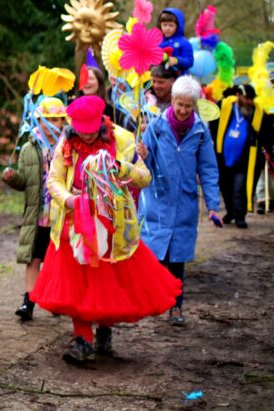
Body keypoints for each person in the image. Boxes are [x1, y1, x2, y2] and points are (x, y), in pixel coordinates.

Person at [30, 95, 181, 364]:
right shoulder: (65, 143)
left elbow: (144, 177)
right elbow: (54, 180)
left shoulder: (122, 139)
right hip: (74, 223)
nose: (86, 139)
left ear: (100, 124)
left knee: (105, 280)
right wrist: (70, 200)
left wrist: (122, 169)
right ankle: (82, 339)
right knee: (76, 281)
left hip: (112, 224)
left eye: (91, 133)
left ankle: (104, 329)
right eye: (81, 133)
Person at [140, 75, 222, 326]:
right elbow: (144, 168)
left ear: (195, 105)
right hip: (158, 200)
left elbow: (208, 170)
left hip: (184, 203)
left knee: (177, 260)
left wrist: (213, 206)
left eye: (189, 105)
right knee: (156, 257)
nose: (183, 110)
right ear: (172, 101)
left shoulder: (200, 133)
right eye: (179, 104)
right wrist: (142, 155)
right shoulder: (156, 127)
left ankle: (176, 306)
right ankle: (154, 301)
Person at [2, 97, 66, 321]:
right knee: (33, 258)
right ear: (37, 120)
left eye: (55, 119)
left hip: (60, 215)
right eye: (46, 119)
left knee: (56, 260)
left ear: (62, 122)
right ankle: (28, 301)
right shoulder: (29, 148)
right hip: (37, 215)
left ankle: (56, 299)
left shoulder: (67, 147)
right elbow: (24, 183)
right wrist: (12, 178)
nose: (51, 124)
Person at [210, 83, 274, 228]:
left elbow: (268, 133)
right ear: (238, 96)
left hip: (247, 160)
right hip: (223, 157)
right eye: (247, 98)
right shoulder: (224, 107)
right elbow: (212, 122)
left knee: (240, 188)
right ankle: (230, 212)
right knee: (226, 187)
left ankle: (240, 216)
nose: (249, 101)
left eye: (251, 99)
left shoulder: (257, 113)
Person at [157, 8, 194, 75]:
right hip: (159, 78)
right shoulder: (156, 41)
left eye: (171, 25)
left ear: (178, 26)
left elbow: (189, 61)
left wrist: (176, 60)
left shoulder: (184, 43)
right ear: (160, 25)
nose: (167, 28)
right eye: (164, 25)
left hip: (178, 79)